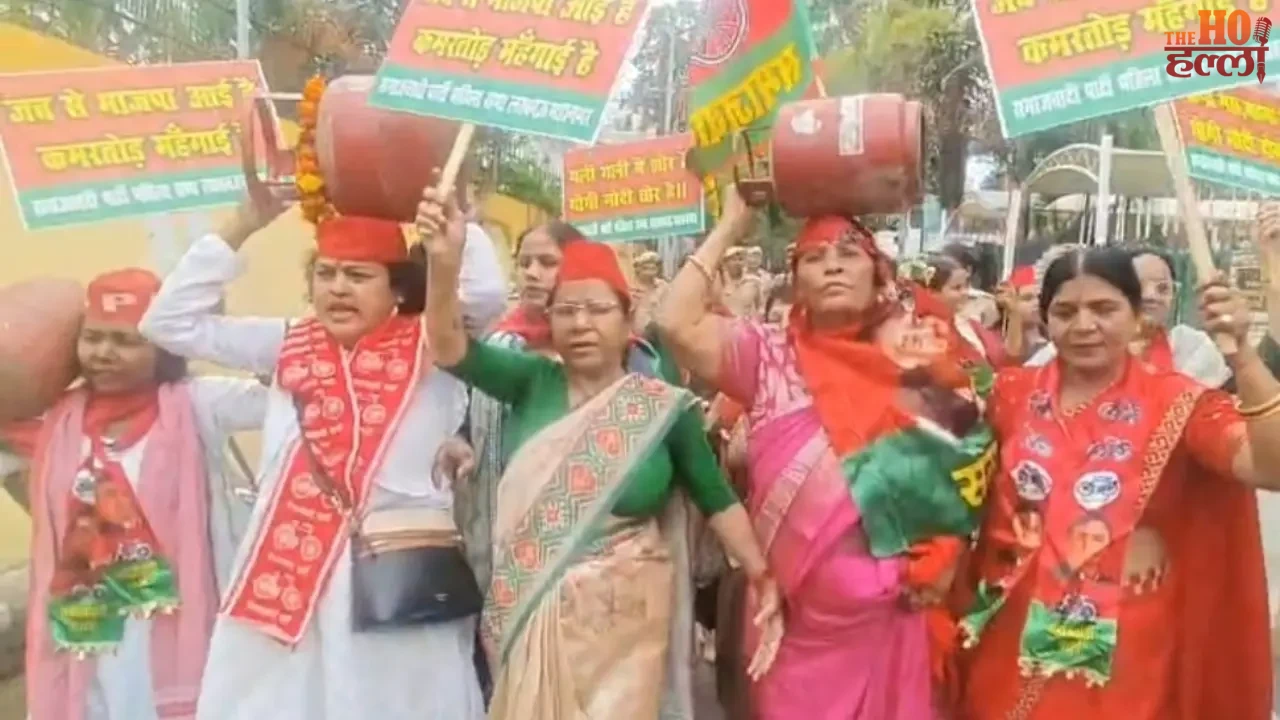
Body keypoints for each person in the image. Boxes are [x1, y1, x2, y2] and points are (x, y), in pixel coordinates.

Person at [416, 188, 784, 720]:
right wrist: (445, 264)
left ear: (627, 317)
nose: (581, 323)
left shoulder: (660, 406)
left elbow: (716, 496)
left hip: (630, 624)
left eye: (596, 310)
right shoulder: (530, 381)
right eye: (566, 311)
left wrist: (761, 575)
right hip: (532, 608)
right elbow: (448, 346)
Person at [138, 194, 507, 720]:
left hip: (396, 566)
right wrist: (242, 224)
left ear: (397, 287)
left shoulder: (432, 341)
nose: (338, 288)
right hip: (290, 563)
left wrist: (456, 231)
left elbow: (487, 296)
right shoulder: (287, 340)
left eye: (358, 275)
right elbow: (168, 323)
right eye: (327, 274)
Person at [657, 189, 998, 719]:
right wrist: (730, 225)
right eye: (814, 258)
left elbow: (967, 465)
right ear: (797, 282)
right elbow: (674, 322)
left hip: (896, 617)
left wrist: (945, 559)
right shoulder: (767, 355)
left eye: (848, 254)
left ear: (878, 271)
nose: (832, 267)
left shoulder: (922, 362)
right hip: (793, 622)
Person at [960, 247, 1279, 719]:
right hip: (1009, 631)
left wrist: (1244, 356)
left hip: (1123, 647)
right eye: (1065, 311)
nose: (1084, 325)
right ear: (1045, 322)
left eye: (1105, 309)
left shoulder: (1177, 401)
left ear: (1136, 319)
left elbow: (1269, 468)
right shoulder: (1009, 394)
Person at [1, 269, 266, 720]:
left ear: (162, 349)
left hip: (177, 621)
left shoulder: (196, 404)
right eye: (93, 338)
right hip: (89, 626)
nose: (104, 353)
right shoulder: (58, 422)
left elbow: (289, 388)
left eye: (126, 342)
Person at [436, 222, 677, 594]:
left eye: (547, 262)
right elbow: (475, 413)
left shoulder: (636, 362)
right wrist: (461, 440)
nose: (532, 273)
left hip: (619, 577)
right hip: (514, 563)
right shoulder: (501, 347)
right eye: (524, 262)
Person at [1027, 248, 1231, 388]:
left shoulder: (1191, 347)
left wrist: (1241, 353)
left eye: (1162, 288)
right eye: (1141, 286)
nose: (1151, 296)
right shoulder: (1070, 348)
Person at [911, 253, 1010, 367]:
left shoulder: (969, 323)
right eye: (956, 288)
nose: (965, 293)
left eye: (966, 286)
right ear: (931, 292)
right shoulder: (922, 330)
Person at [997, 265, 1048, 364]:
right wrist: (1015, 315)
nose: (1036, 303)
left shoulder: (1054, 337)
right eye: (1027, 298)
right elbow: (1010, 360)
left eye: (1039, 297)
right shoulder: (995, 339)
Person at [631, 249, 669, 334]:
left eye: (653, 268)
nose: (650, 271)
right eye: (646, 268)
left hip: (661, 333)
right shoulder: (631, 289)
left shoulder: (663, 286)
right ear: (638, 269)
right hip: (639, 335)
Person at [721, 246, 764, 318]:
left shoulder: (754, 282)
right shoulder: (719, 283)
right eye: (733, 260)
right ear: (725, 263)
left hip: (745, 326)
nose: (737, 263)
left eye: (740, 259)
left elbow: (761, 308)